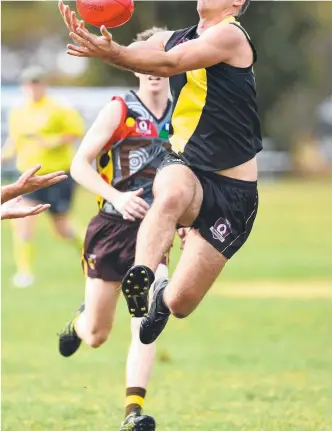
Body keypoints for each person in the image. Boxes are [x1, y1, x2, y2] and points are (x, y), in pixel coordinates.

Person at [59, 0, 261, 346]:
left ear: (236, 2)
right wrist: (102, 44)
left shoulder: (230, 37)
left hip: (235, 192)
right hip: (189, 167)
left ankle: (163, 299)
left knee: (182, 303)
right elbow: (142, 49)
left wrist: (113, 54)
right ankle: (143, 275)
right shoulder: (179, 37)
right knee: (170, 192)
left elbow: (168, 63)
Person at [57, 27, 173, 431]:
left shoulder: (188, 110)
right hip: (110, 226)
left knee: (148, 319)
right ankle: (79, 321)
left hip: (154, 232)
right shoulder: (120, 108)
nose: (155, 67)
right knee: (97, 334)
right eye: (147, 56)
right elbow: (78, 165)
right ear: (136, 63)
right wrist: (119, 197)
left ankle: (133, 413)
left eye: (163, 55)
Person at [2, 65, 85, 287]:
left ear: (43, 85)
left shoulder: (60, 109)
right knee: (22, 221)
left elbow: (76, 132)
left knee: (62, 228)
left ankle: (91, 254)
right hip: (26, 177)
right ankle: (25, 272)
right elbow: (15, 140)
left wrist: (53, 141)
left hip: (56, 175)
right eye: (29, 83)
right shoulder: (18, 112)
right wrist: (5, 156)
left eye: (37, 82)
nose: (33, 87)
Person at [1, 165, 68, 220]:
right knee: (24, 225)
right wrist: (14, 190)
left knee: (61, 223)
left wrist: (15, 189)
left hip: (55, 178)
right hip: (27, 176)